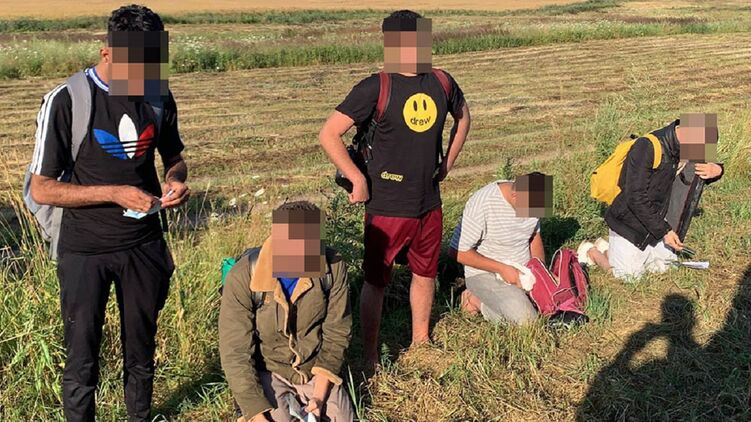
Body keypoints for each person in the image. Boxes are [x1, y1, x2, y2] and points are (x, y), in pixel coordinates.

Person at [28, 5, 189, 421]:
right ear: (107, 54)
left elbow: (174, 157)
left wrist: (175, 181)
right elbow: (41, 188)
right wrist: (115, 193)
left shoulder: (158, 94)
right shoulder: (67, 100)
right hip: (85, 250)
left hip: (144, 246)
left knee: (142, 351)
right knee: (82, 358)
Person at [319, 9, 471, 368]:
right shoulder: (375, 87)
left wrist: (447, 163)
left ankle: (421, 341)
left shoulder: (442, 81)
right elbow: (328, 134)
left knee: (425, 273)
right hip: (386, 205)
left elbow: (464, 117)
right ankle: (371, 355)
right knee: (376, 281)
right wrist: (358, 179)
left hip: (428, 202)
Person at [219, 201, 354, 422]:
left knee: (342, 418)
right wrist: (257, 415)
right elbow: (235, 352)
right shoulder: (242, 275)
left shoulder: (333, 267)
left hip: (314, 368)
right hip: (268, 369)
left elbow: (337, 332)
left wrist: (319, 398)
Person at [579, 114, 723, 281]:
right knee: (629, 277)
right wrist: (665, 231)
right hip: (628, 223)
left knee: (665, 267)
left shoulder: (682, 145)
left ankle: (608, 247)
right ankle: (591, 251)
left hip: (653, 221)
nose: (697, 156)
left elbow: (698, 171)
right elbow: (635, 197)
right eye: (699, 150)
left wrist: (718, 170)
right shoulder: (646, 147)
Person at [449, 173, 552, 325]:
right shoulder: (483, 203)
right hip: (486, 274)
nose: (532, 215)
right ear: (515, 195)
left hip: (523, 273)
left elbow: (534, 236)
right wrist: (503, 269)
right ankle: (474, 300)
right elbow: (457, 252)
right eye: (530, 210)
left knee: (549, 309)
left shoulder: (532, 197)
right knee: (527, 322)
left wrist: (540, 271)